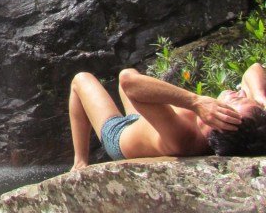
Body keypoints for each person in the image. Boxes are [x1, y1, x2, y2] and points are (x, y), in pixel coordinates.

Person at [69, 62, 266, 170]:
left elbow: (129, 83)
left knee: (81, 79)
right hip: (149, 123)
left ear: (221, 123)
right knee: (128, 69)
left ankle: (79, 161)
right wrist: (259, 97)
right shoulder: (237, 125)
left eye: (238, 100)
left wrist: (195, 101)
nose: (238, 92)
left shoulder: (183, 137)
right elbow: (254, 69)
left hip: (120, 135)